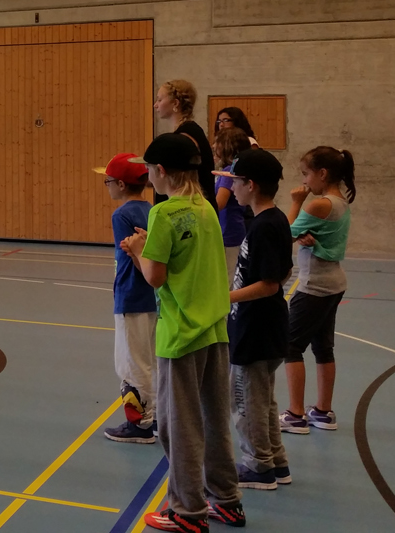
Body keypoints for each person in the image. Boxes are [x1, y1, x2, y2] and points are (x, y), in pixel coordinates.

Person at [122, 133, 243, 531]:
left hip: (180, 336)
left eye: (149, 170)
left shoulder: (163, 213)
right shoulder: (206, 207)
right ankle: (227, 500)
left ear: (160, 171)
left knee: (179, 427)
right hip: (215, 331)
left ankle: (187, 510)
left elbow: (155, 277)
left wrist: (138, 249)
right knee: (214, 421)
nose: (148, 177)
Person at [215, 149, 293, 491]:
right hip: (261, 327)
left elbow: (270, 283)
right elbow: (283, 270)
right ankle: (275, 461)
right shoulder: (270, 221)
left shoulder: (266, 225)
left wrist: (224, 298)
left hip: (257, 330)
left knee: (245, 401)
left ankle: (258, 465)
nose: (230, 188)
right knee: (263, 401)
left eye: (235, 182)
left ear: (251, 185)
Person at [281, 146, 355, 435]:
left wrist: (296, 203)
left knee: (291, 346)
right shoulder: (340, 202)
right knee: (323, 347)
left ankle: (296, 414)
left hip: (315, 286)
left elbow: (284, 234)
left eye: (306, 174)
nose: (304, 181)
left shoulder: (319, 205)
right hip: (334, 283)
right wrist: (307, 236)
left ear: (322, 174)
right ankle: (323, 411)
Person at [95, 153, 156, 444]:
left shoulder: (121, 215)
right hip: (153, 298)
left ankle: (140, 424)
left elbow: (132, 256)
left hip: (132, 296)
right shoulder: (152, 210)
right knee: (151, 359)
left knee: (131, 362)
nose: (107, 186)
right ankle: (155, 416)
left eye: (108, 181)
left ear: (120, 184)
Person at [152, 80, 216, 209]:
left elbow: (177, 177)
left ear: (175, 103)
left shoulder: (186, 135)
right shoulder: (188, 131)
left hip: (191, 208)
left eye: (159, 100)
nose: (155, 105)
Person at [212, 128, 252, 270]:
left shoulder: (229, 171)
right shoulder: (228, 170)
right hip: (229, 230)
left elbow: (219, 203)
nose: (213, 146)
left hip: (228, 232)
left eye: (217, 143)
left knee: (228, 277)